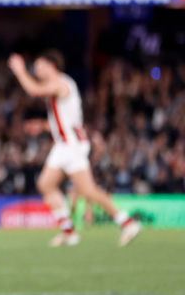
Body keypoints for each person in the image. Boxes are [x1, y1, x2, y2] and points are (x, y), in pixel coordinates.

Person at [8, 50, 141, 247]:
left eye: (39, 65)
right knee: (46, 185)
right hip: (63, 145)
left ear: (51, 66)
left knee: (88, 190)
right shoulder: (59, 85)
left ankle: (127, 222)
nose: (36, 70)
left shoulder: (61, 83)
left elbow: (34, 90)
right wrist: (44, 126)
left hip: (72, 146)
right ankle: (68, 230)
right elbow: (66, 118)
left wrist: (19, 71)